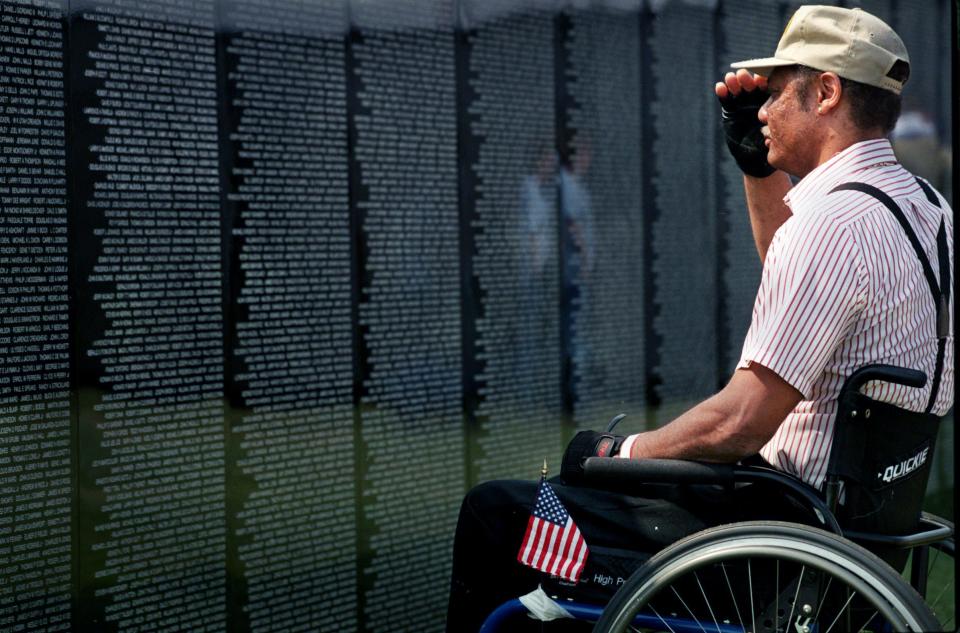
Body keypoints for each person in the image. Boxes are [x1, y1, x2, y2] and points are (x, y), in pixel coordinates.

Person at [445, 6, 954, 631]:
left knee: (495, 513)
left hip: (777, 536)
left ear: (825, 91)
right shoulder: (928, 209)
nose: (761, 110)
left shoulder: (831, 225)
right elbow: (803, 288)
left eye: (774, 92)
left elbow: (741, 423)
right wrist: (756, 169)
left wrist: (620, 451)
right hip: (852, 525)